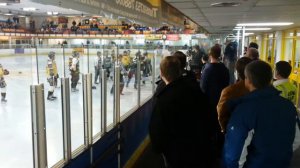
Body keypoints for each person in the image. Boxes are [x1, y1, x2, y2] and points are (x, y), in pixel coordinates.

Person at [223, 60, 298, 168]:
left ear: (248, 81)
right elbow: (297, 139)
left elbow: (234, 154)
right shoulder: (288, 106)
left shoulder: (244, 110)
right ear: (270, 79)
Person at [149, 56, 213, 168]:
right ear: (179, 71)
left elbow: (156, 130)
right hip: (198, 149)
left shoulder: (163, 99)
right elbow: (208, 114)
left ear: (161, 73)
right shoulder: (195, 90)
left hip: (175, 154)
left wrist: (159, 149)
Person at [200, 44, 229, 156]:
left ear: (210, 55)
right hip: (222, 101)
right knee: (219, 124)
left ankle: (211, 148)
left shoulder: (207, 69)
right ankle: (220, 146)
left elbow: (203, 88)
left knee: (210, 125)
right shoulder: (224, 69)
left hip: (210, 102)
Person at [217, 57, 252, 132]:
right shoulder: (259, 89)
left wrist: (226, 130)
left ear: (237, 71)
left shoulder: (229, 91)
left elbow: (221, 114)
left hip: (235, 132)